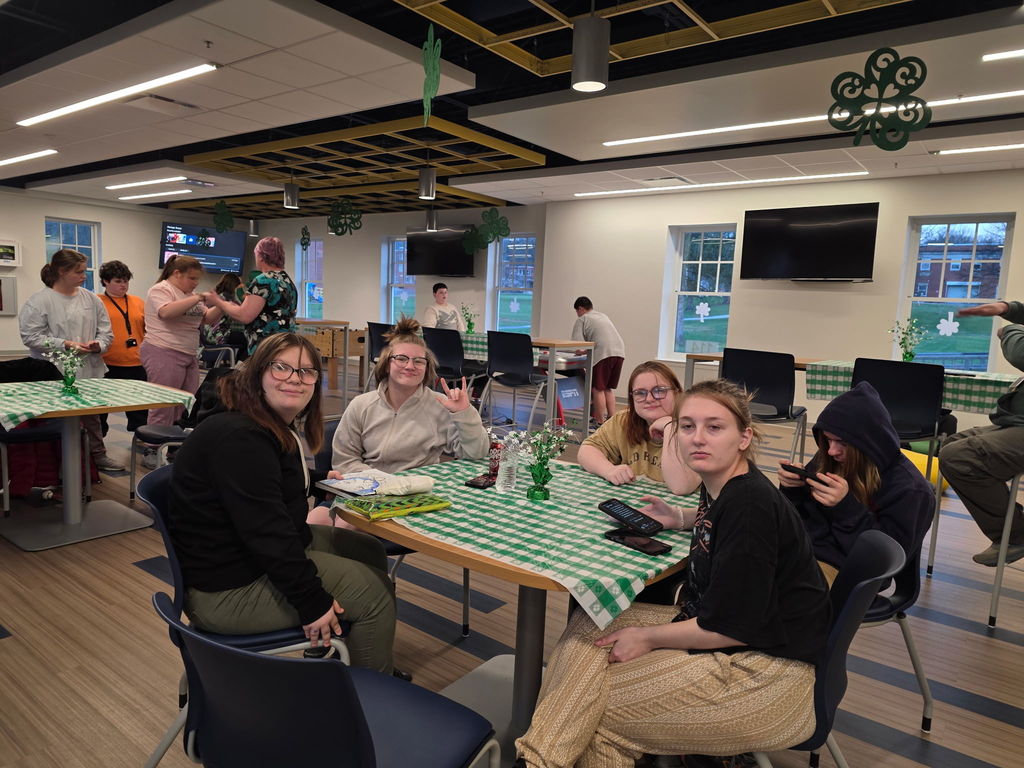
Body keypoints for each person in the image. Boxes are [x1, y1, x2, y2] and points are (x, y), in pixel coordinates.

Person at [515, 379, 831, 767]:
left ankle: (535, 761)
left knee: (589, 708)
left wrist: (647, 636)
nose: (698, 438)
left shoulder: (750, 508)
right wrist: (681, 518)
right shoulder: (725, 484)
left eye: (714, 427)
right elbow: (720, 534)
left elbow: (732, 626)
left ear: (744, 437)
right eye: (687, 426)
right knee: (591, 622)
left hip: (768, 677)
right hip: (728, 633)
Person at [167, 332, 396, 672]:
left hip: (238, 557)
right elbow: (268, 533)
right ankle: (370, 704)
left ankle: (356, 654)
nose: (294, 378)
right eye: (281, 368)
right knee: (375, 595)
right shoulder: (242, 438)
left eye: (306, 371)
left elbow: (262, 488)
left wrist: (318, 480)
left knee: (368, 550)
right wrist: (312, 602)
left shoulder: (258, 422)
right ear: (258, 373)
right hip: (227, 589)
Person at [778, 381, 934, 585]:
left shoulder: (911, 490)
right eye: (828, 440)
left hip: (850, 573)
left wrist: (845, 508)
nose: (832, 451)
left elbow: (883, 562)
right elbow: (799, 521)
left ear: (868, 443)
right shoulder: (831, 457)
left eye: (842, 442)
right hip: (800, 552)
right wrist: (792, 491)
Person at [332, 317, 488, 474]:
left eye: (419, 361)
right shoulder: (361, 405)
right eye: (401, 359)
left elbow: (476, 454)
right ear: (387, 365)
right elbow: (344, 461)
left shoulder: (440, 405)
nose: (410, 366)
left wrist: (465, 413)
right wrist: (382, 482)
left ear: (427, 368)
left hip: (420, 493)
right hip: (370, 489)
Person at [19, 249, 123, 471]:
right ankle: (56, 464)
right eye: (79, 272)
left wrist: (98, 345)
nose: (84, 276)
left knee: (93, 417)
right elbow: (31, 337)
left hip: (89, 369)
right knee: (57, 419)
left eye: (84, 271)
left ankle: (97, 456)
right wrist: (65, 344)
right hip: (52, 371)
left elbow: (106, 332)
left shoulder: (91, 299)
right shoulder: (39, 301)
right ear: (61, 271)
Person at [939, 299, 1024, 566]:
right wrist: (1007, 308)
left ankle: (1015, 535)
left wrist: (1009, 330)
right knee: (952, 445)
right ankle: (1010, 529)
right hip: (1017, 420)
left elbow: (1020, 353)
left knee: (960, 456)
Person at [578, 360, 699, 492]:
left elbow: (682, 487)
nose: (649, 399)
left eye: (659, 391)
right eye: (640, 393)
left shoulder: (694, 427)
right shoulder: (624, 420)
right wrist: (609, 470)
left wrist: (670, 427)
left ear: (677, 393)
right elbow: (587, 450)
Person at [141, 256, 222, 427]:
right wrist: (198, 297)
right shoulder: (161, 290)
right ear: (177, 273)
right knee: (163, 404)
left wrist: (222, 305)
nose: (195, 283)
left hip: (188, 354)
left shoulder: (189, 295)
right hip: (163, 350)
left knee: (186, 404)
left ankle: (174, 448)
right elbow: (166, 312)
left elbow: (206, 318)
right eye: (192, 278)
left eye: (197, 279)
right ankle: (152, 446)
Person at [202, 236, 297, 357]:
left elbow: (244, 315)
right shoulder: (287, 280)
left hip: (265, 346)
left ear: (262, 257)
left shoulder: (263, 281)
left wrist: (218, 302)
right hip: (284, 344)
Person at [97, 260, 148, 434]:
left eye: (126, 281)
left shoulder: (138, 302)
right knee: (101, 409)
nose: (123, 285)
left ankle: (143, 443)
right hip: (107, 364)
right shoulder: (97, 302)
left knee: (140, 411)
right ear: (106, 281)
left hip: (136, 363)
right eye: (118, 281)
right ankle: (97, 447)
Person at [571, 296, 625, 425]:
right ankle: (612, 420)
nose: (577, 314)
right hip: (619, 352)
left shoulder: (583, 319)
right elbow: (601, 338)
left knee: (597, 388)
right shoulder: (602, 316)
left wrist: (578, 351)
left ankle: (599, 421)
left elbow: (576, 344)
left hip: (604, 354)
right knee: (607, 388)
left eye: (577, 311)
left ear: (580, 309)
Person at [201, 272, 248, 358]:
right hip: (219, 336)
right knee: (249, 340)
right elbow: (241, 317)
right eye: (240, 286)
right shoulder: (228, 300)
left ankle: (238, 364)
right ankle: (240, 366)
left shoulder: (216, 297)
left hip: (208, 335)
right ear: (235, 286)